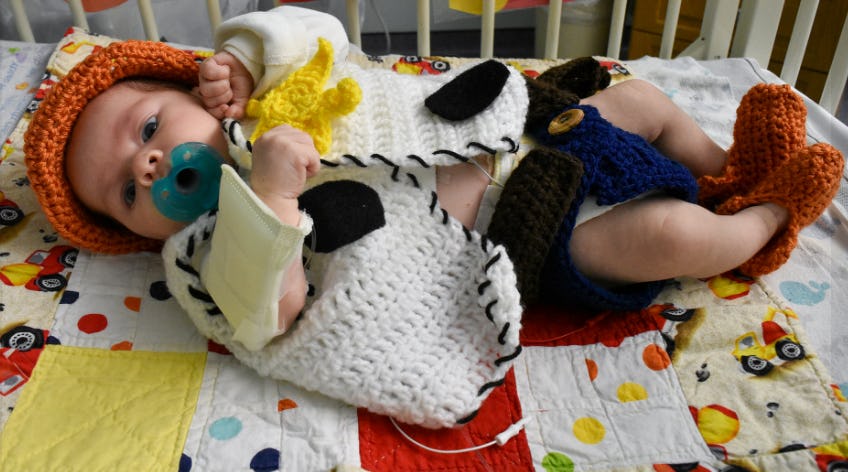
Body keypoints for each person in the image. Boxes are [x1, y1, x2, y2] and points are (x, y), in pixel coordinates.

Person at [23, 5, 844, 427]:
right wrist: (272, 195)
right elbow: (266, 315)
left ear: (194, 89)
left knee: (638, 99)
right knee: (668, 237)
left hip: (521, 123)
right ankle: (765, 219)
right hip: (528, 223)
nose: (149, 166)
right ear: (132, 234)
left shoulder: (275, 91)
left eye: (150, 130)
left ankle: (725, 169)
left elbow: (317, 33)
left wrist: (243, 55)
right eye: (127, 193)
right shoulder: (207, 251)